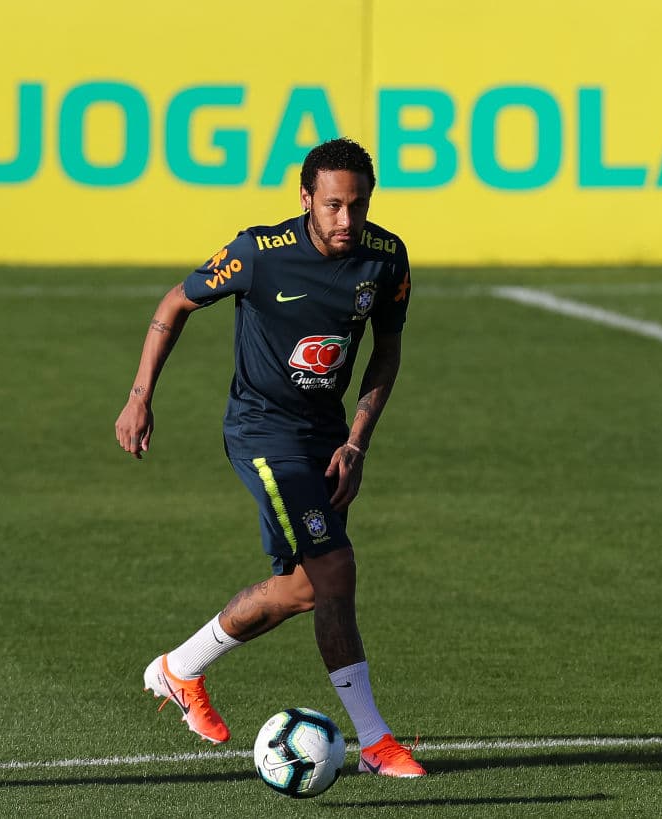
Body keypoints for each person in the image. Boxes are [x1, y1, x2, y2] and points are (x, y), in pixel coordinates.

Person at [114, 137, 425, 778]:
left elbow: (386, 353)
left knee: (305, 587)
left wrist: (357, 442)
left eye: (358, 206)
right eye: (334, 205)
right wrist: (140, 397)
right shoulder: (259, 253)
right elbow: (175, 303)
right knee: (335, 567)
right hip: (262, 435)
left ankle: (180, 668)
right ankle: (374, 740)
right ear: (306, 198)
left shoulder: (387, 259)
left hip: (327, 438)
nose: (347, 220)